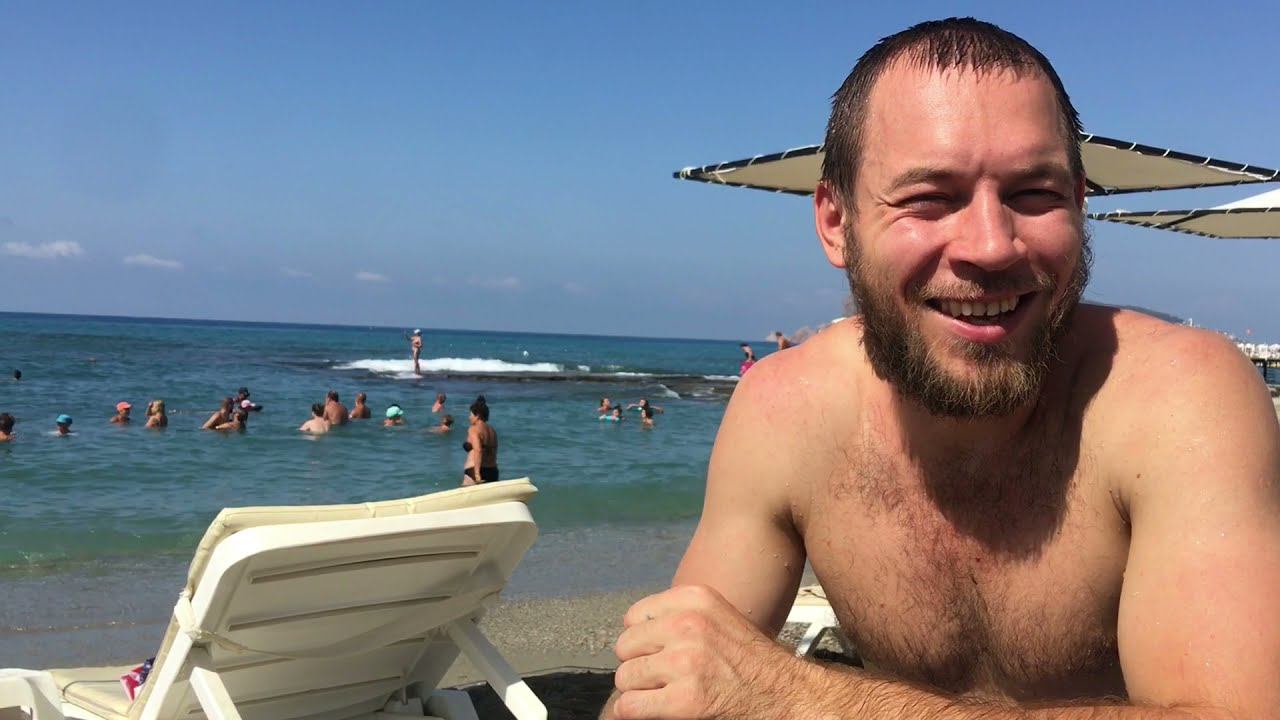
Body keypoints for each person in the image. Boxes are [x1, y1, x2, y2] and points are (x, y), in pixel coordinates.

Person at [605, 18, 1280, 720]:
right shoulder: (784, 413)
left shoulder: (1181, 399)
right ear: (836, 223)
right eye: (929, 198)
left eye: (1034, 194)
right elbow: (665, 690)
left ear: (1081, 207)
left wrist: (799, 697)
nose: (990, 246)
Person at [461, 395, 498, 485]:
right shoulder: (492, 431)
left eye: (470, 414)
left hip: (476, 470)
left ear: (477, 415)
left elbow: (478, 450)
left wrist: (477, 474)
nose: (469, 417)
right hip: (493, 471)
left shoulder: (474, 429)